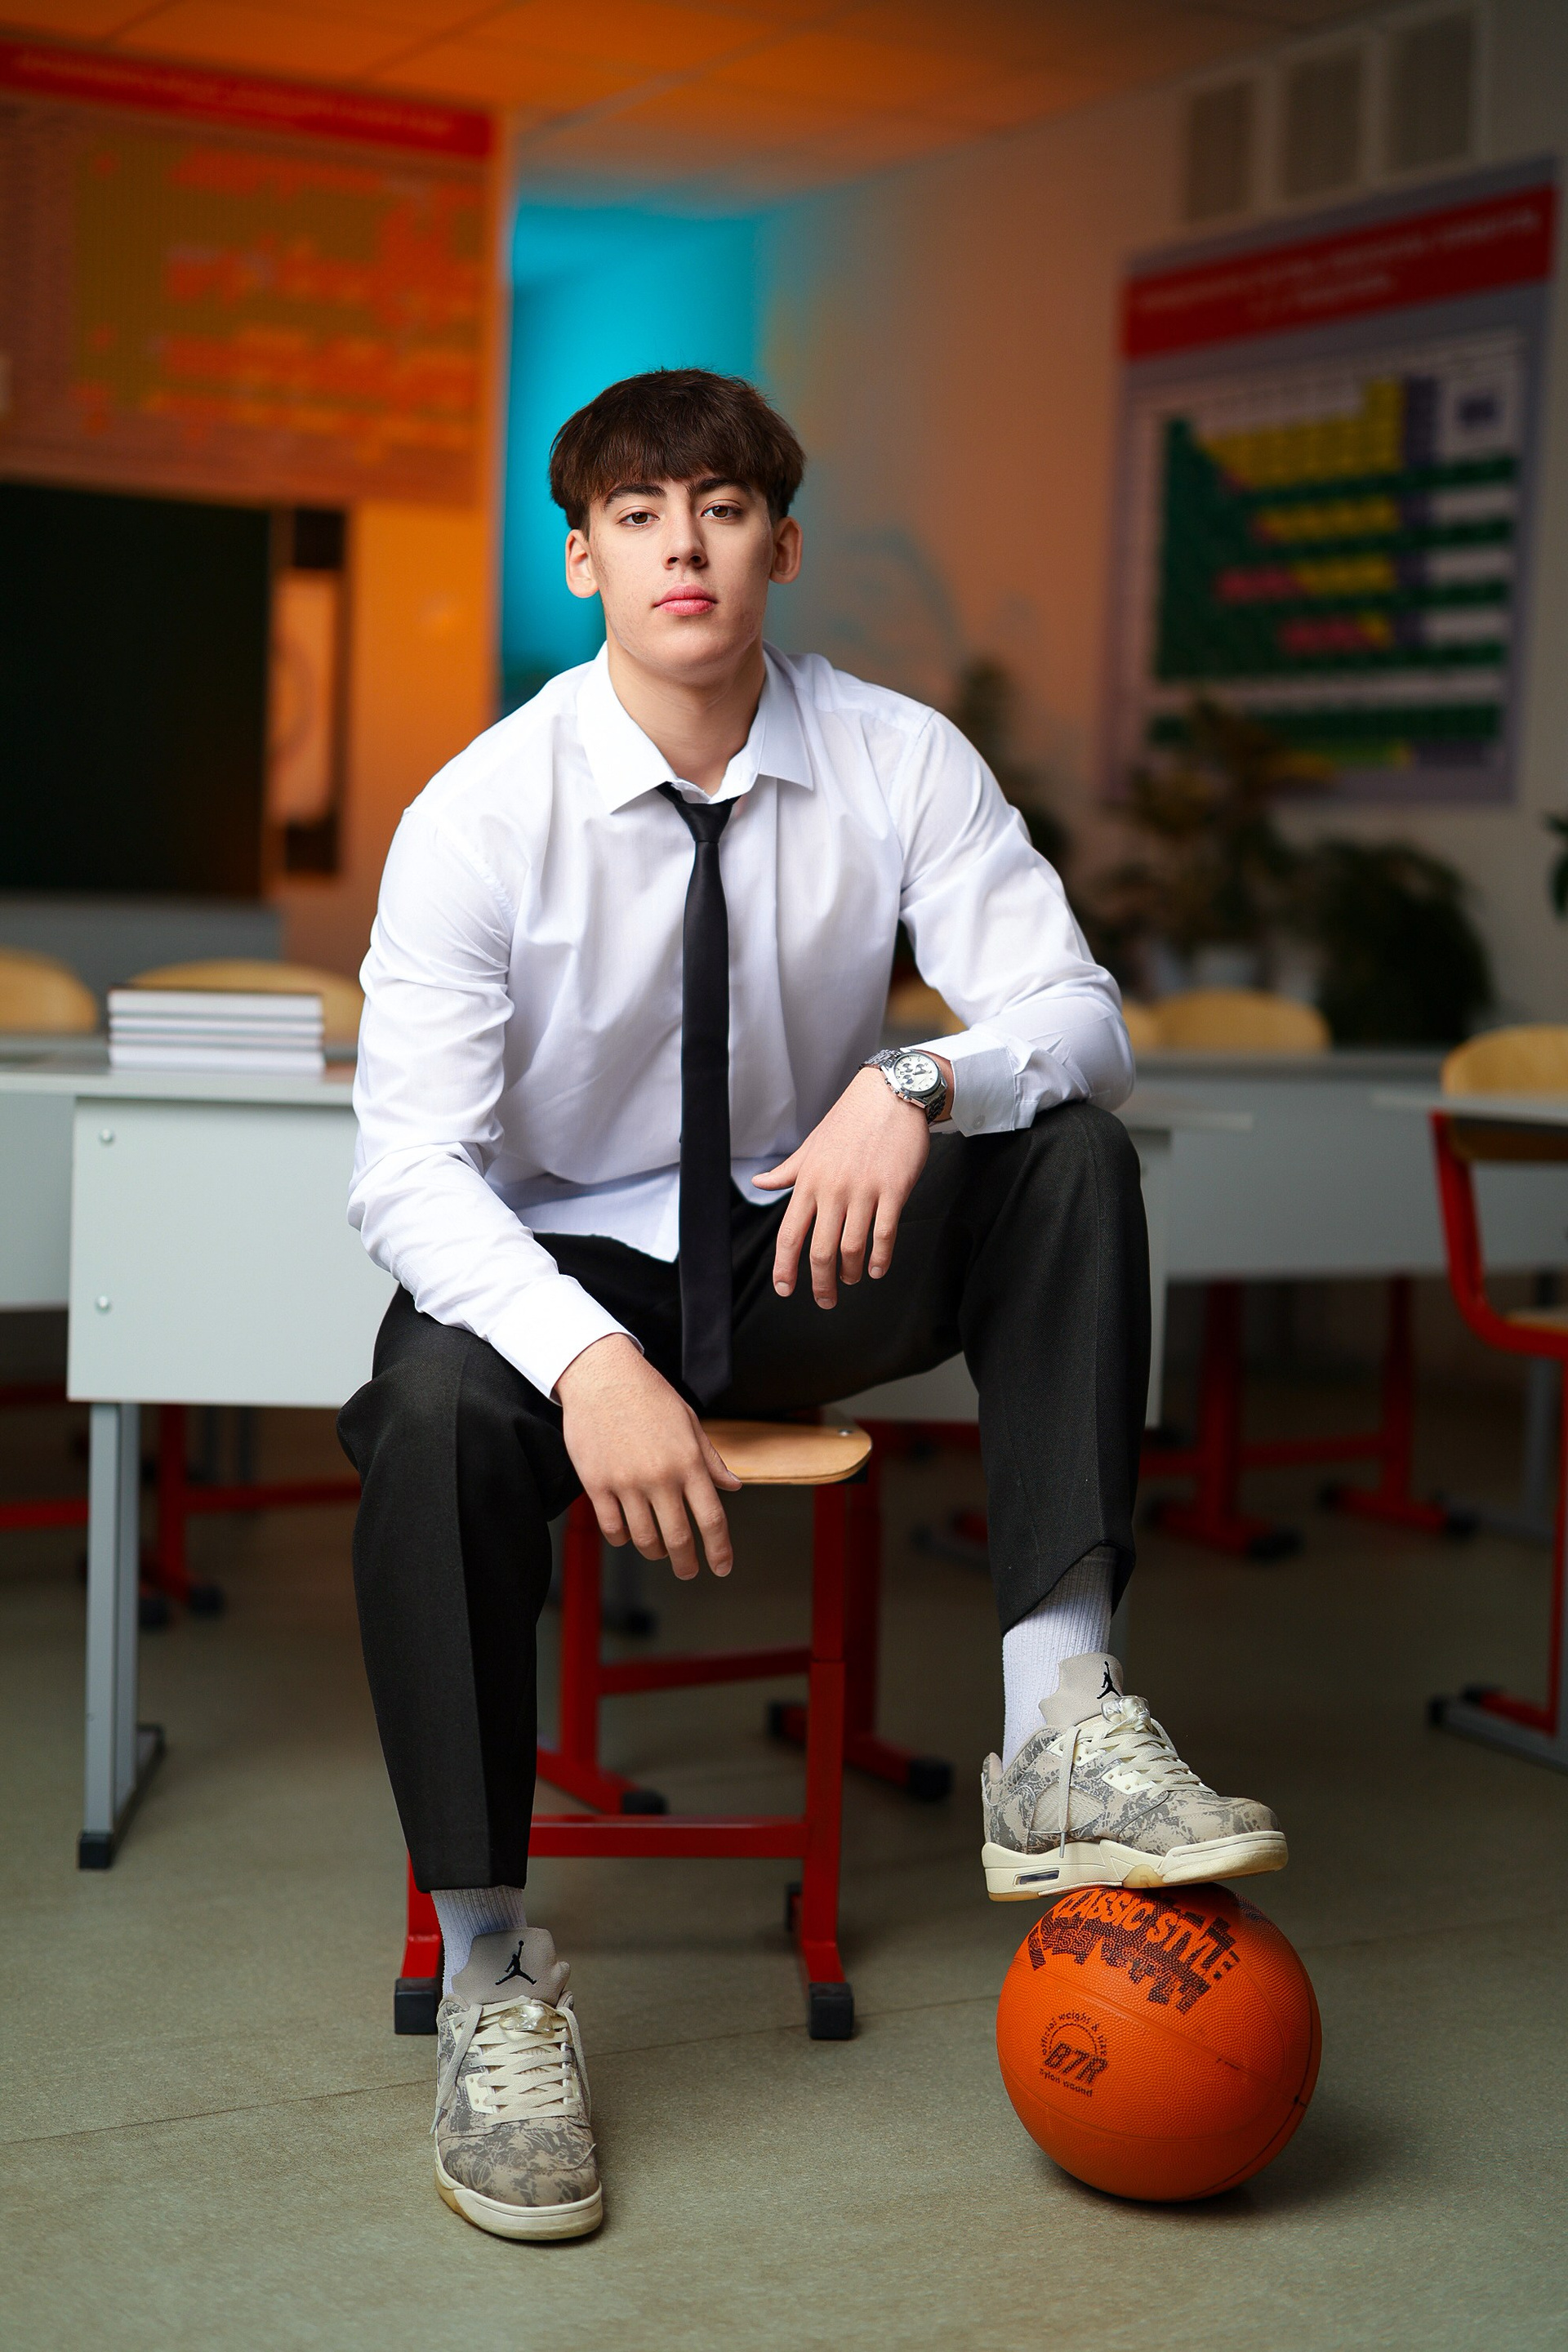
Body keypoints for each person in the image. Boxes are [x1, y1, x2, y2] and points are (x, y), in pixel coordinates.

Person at [339, 368, 1285, 2245]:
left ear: (781, 540)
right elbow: (409, 1174)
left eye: (719, 506)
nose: (681, 544)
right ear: (583, 561)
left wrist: (919, 1080)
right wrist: (590, 1362)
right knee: (435, 1410)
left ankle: (1060, 1729)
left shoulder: (896, 757)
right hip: (575, 1272)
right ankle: (492, 1969)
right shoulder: (482, 814)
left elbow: (1080, 1019)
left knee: (1071, 1156)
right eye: (637, 515)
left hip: (806, 1246)